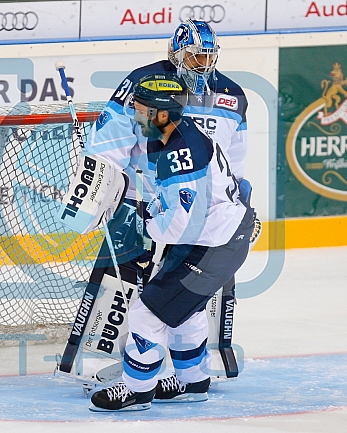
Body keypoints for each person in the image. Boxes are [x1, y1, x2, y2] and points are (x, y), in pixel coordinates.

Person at [84, 19, 250, 382]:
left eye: (208, 57)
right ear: (175, 54)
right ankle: (100, 365)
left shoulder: (233, 95)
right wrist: (105, 190)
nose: (202, 65)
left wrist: (240, 199)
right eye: (194, 57)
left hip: (197, 215)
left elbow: (234, 161)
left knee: (178, 302)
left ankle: (172, 376)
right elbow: (108, 144)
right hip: (141, 201)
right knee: (122, 291)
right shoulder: (144, 83)